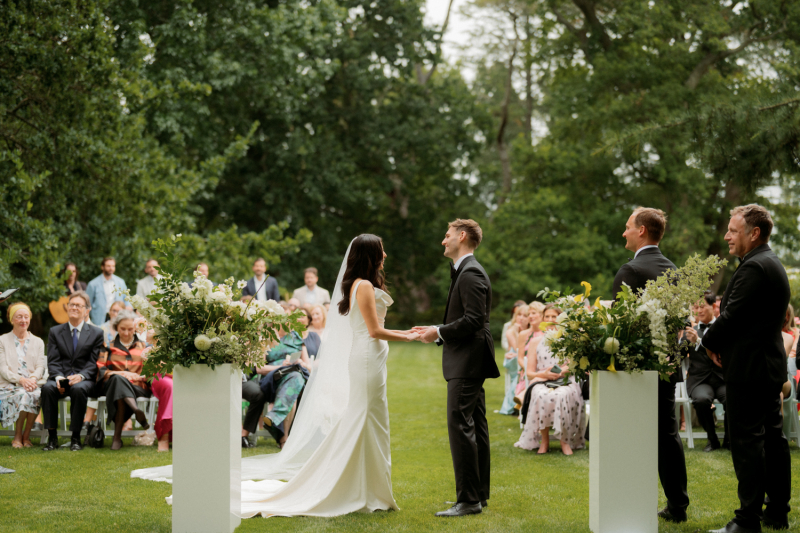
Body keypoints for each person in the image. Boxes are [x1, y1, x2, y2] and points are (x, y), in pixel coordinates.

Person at [133, 234, 417, 517]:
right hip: (367, 355)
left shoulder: (360, 284)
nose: (386, 255)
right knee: (366, 418)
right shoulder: (364, 285)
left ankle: (367, 487)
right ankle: (361, 488)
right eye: (382, 250)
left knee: (368, 419)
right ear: (370, 254)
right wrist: (413, 335)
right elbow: (373, 330)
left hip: (370, 357)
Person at [703, 204, 791, 533]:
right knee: (772, 440)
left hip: (751, 370)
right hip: (765, 367)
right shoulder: (768, 262)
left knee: (748, 444)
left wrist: (706, 343)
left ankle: (747, 519)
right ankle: (776, 513)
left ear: (754, 233)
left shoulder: (755, 267)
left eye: (733, 230)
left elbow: (731, 317)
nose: (726, 235)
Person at [412, 219, 500, 517]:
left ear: (462, 237)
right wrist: (438, 327)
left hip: (468, 359)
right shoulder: (465, 270)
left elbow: (474, 320)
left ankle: (468, 500)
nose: (443, 241)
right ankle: (478, 495)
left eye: (447, 235)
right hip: (469, 358)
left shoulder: (471, 272)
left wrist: (438, 332)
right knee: (475, 423)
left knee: (460, 424)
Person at [611, 207, 690, 524]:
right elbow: (683, 323)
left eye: (628, 226)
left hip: (636, 369)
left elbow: (619, 326)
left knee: (634, 438)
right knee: (667, 435)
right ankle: (677, 505)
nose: (624, 232)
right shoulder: (674, 269)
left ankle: (631, 503)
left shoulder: (631, 271)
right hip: (666, 368)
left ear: (642, 230)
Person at [515, 305, 585, 454]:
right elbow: (529, 374)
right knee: (541, 394)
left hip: (567, 380)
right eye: (547, 317)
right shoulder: (536, 342)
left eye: (554, 317)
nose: (550, 320)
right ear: (543, 319)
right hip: (543, 380)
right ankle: (544, 441)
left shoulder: (570, 340)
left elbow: (575, 365)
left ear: (561, 320)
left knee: (561, 395)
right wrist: (545, 375)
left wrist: (563, 371)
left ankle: (564, 441)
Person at [41, 291, 104, 451]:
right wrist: (59, 378)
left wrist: (81, 376)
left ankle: (76, 438)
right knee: (48, 388)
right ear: (67, 307)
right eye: (72, 304)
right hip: (60, 377)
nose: (74, 308)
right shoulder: (55, 331)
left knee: (78, 389)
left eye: (79, 305)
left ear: (87, 310)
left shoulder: (96, 333)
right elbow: (53, 360)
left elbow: (94, 362)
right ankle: (52, 437)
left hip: (84, 380)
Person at [97, 310, 151, 450]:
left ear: (135, 328)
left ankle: (117, 438)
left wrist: (138, 376)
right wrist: (121, 373)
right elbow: (100, 370)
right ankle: (136, 410)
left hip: (137, 388)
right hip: (113, 386)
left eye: (130, 329)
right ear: (116, 327)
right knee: (118, 380)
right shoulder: (108, 346)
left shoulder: (144, 347)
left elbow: (151, 371)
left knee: (119, 387)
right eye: (122, 329)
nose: (126, 333)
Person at [682, 293, 728, 452]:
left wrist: (699, 343)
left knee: (733, 398)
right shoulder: (690, 331)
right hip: (700, 381)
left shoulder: (724, 330)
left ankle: (729, 439)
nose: (698, 310)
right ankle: (712, 439)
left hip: (723, 378)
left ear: (714, 306)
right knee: (701, 400)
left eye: (702, 306)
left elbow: (723, 353)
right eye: (695, 307)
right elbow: (679, 354)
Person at [0, 303, 47, 448]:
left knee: (35, 394)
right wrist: (21, 380)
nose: (23, 320)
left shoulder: (38, 341)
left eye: (26, 317)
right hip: (10, 385)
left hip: (32, 384)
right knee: (24, 394)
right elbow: (3, 369)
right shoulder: (2, 340)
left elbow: (40, 366)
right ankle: (18, 435)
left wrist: (32, 379)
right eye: (19, 317)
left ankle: (26, 436)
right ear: (11, 319)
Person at [499, 304, 529, 415]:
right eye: (519, 315)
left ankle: (518, 402)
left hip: (522, 361)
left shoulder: (532, 332)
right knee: (519, 370)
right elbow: (518, 349)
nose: (521, 318)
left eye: (525, 316)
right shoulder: (511, 331)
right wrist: (516, 332)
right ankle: (516, 403)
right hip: (515, 361)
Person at [85, 257, 129, 325]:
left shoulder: (120, 282)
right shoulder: (93, 284)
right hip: (99, 319)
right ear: (102, 267)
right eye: (108, 266)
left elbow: (127, 299)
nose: (111, 268)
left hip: (117, 317)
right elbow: (87, 304)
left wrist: (128, 307)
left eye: (113, 266)